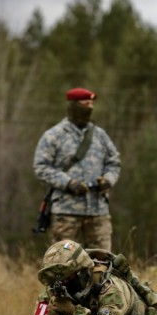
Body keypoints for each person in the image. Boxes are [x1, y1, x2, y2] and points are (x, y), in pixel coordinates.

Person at [33, 87, 120, 251]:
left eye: (92, 104)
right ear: (73, 105)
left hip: (97, 212)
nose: (90, 107)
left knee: (102, 263)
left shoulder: (100, 135)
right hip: (66, 214)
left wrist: (108, 180)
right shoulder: (54, 135)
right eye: (86, 103)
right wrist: (68, 183)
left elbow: (114, 162)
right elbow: (41, 167)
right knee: (64, 262)